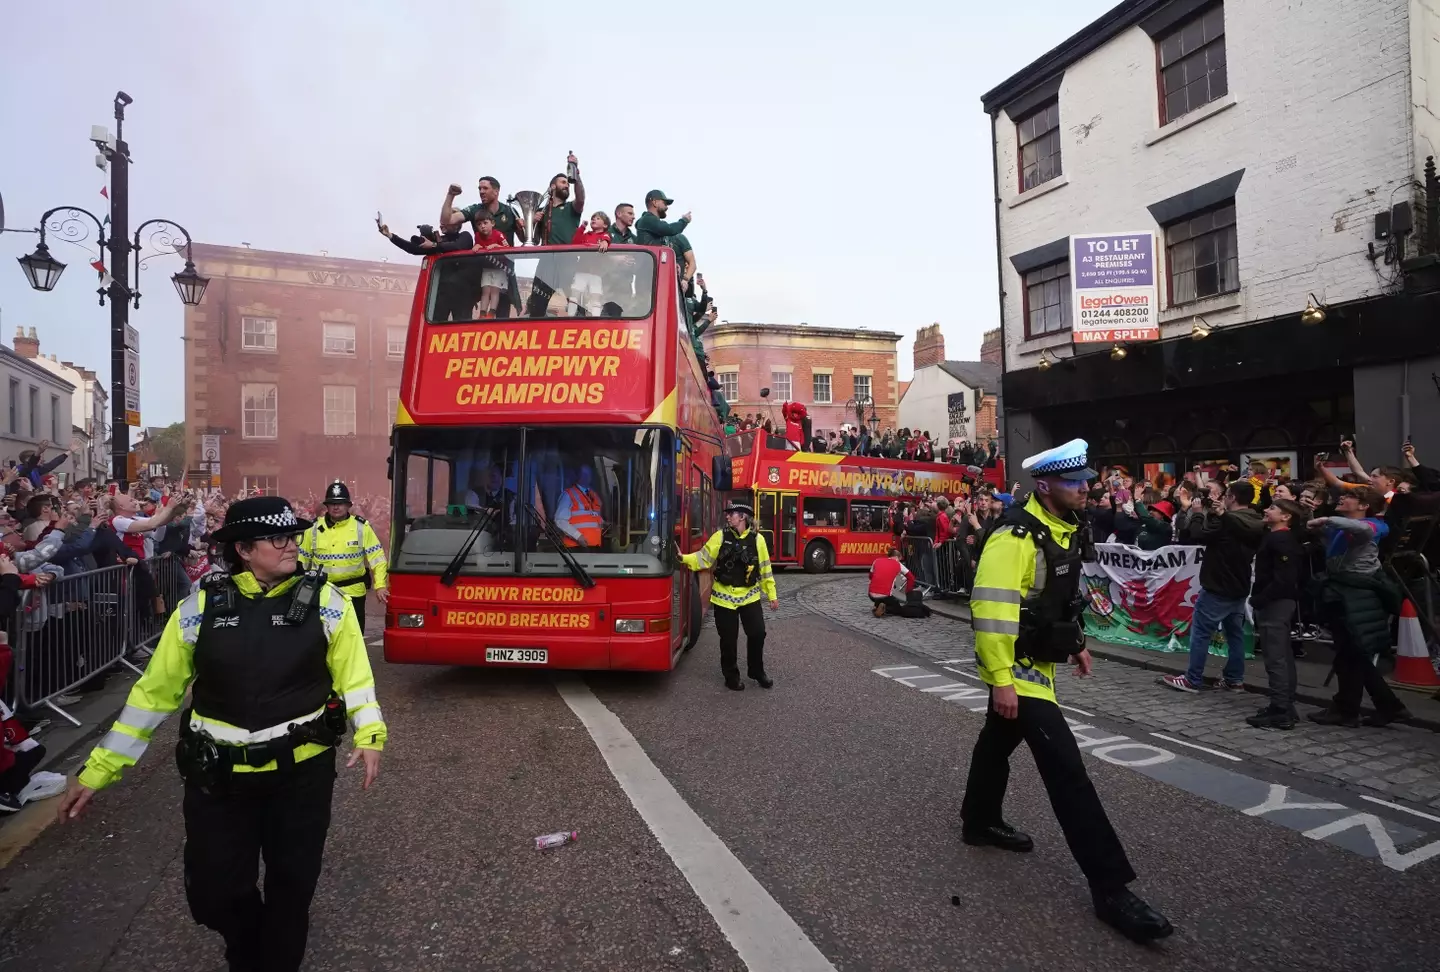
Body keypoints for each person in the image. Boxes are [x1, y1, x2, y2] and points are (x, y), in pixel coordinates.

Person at [56, 496, 386, 972]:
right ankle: (249, 947)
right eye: (278, 538)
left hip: (301, 778)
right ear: (244, 549)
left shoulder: (327, 603)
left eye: (292, 535)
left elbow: (355, 677)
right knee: (215, 894)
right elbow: (153, 696)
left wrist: (370, 732)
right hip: (219, 779)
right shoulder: (201, 607)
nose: (291, 545)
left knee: (291, 890)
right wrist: (98, 770)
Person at [963, 438, 1172, 943]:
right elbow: (990, 610)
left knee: (997, 743)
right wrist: (1001, 680)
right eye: (1074, 482)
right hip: (1018, 669)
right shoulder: (1014, 535)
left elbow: (1057, 598)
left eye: (1084, 481)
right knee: (1068, 770)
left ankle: (979, 820)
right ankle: (1111, 888)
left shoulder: (1065, 526)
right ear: (1045, 485)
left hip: (1039, 663)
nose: (1085, 489)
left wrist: (1076, 642)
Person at [1307, 486, 1411, 727]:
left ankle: (1349, 710)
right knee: (1352, 654)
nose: (1342, 497)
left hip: (1356, 596)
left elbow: (1361, 529)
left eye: (1350, 496)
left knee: (1350, 655)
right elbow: (1328, 541)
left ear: (1364, 506)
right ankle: (1387, 706)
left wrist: (1327, 518)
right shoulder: (1342, 526)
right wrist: (1311, 518)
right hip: (1346, 593)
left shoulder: (1374, 526)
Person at [1160, 481, 1264, 693]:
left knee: (1200, 633)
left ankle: (1193, 678)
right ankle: (1234, 678)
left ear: (1232, 497)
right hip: (1239, 584)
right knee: (1234, 634)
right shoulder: (1255, 520)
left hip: (1218, 583)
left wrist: (1197, 512)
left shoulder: (1228, 521)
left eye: (1226, 494)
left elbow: (1198, 535)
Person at [679, 502, 777, 690]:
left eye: (732, 514)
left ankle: (756, 671)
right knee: (728, 640)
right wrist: (683, 557)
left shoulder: (758, 540)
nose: (728, 517)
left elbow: (765, 569)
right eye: (728, 514)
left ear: (743, 517)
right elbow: (703, 558)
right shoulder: (720, 536)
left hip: (750, 597)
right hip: (723, 599)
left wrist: (772, 595)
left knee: (757, 633)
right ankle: (731, 676)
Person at [1245, 498, 1307, 729]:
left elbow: (1283, 578)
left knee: (1276, 656)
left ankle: (1280, 708)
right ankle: (1285, 704)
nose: (1266, 510)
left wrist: (1260, 598)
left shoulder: (1281, 539)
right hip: (1277, 601)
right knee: (1282, 654)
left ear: (1286, 516)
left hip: (1275, 602)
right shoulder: (1277, 538)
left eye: (1272, 508)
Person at [297, 481, 389, 630]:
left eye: (340, 503)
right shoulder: (312, 529)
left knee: (354, 638)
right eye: (332, 503)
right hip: (322, 593)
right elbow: (301, 562)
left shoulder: (361, 527)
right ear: (326, 506)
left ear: (348, 505)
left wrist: (380, 586)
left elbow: (377, 558)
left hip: (353, 595)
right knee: (323, 640)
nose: (336, 507)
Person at [636, 189, 696, 290]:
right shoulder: (647, 220)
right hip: (648, 277)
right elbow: (670, 229)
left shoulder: (651, 223)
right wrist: (684, 220)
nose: (666, 207)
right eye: (664, 203)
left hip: (653, 275)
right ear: (654, 202)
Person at [554, 466, 604, 550]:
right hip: (575, 548)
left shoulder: (593, 495)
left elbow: (593, 516)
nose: (587, 477)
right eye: (584, 474)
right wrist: (578, 536)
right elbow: (560, 520)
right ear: (578, 476)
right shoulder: (568, 494)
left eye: (589, 474)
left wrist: (603, 523)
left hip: (594, 546)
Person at [471, 211, 509, 318]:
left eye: (485, 223)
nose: (482, 226)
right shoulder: (477, 236)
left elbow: (509, 249)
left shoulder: (499, 235)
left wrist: (497, 246)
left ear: (492, 223)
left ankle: (491, 312)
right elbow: (477, 246)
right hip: (487, 267)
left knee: (494, 289)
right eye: (479, 224)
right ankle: (482, 313)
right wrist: (477, 246)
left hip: (499, 267)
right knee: (485, 289)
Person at [868, 546, 914, 616]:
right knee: (898, 609)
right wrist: (908, 593)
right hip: (885, 595)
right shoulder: (898, 564)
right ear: (897, 557)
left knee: (881, 592)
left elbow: (871, 576)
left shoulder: (876, 560)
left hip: (871, 594)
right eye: (900, 559)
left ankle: (877, 605)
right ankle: (884, 609)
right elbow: (911, 578)